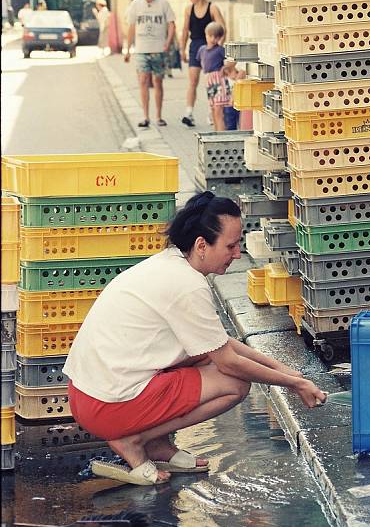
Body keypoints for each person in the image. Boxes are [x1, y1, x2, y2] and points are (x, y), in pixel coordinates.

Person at [63, 192, 327, 486]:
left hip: (88, 393)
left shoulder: (171, 262)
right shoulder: (187, 285)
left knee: (200, 356)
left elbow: (220, 343)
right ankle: (135, 440)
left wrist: (287, 372)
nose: (237, 254)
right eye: (231, 245)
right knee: (235, 384)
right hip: (106, 406)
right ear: (202, 245)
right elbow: (228, 363)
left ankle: (158, 445)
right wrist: (295, 384)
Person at [124, 0, 176, 128]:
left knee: (158, 81)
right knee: (143, 81)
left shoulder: (163, 4)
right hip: (141, 50)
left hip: (158, 49)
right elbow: (131, 27)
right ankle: (145, 116)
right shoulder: (135, 5)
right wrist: (128, 50)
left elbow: (172, 24)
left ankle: (159, 116)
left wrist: (168, 42)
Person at [180, 0, 226, 128]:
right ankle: (189, 113)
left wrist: (218, 45)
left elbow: (223, 28)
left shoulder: (212, 8)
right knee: (193, 81)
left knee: (212, 81)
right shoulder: (189, 9)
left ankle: (211, 112)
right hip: (195, 45)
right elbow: (185, 30)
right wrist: (182, 49)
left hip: (210, 47)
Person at [198, 21, 230, 132]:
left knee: (218, 109)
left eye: (216, 37)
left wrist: (224, 68)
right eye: (210, 36)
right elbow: (200, 62)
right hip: (208, 80)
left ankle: (222, 134)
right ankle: (216, 132)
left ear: (220, 38)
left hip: (218, 80)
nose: (212, 39)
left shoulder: (220, 50)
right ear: (206, 35)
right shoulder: (202, 49)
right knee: (212, 109)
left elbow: (232, 60)